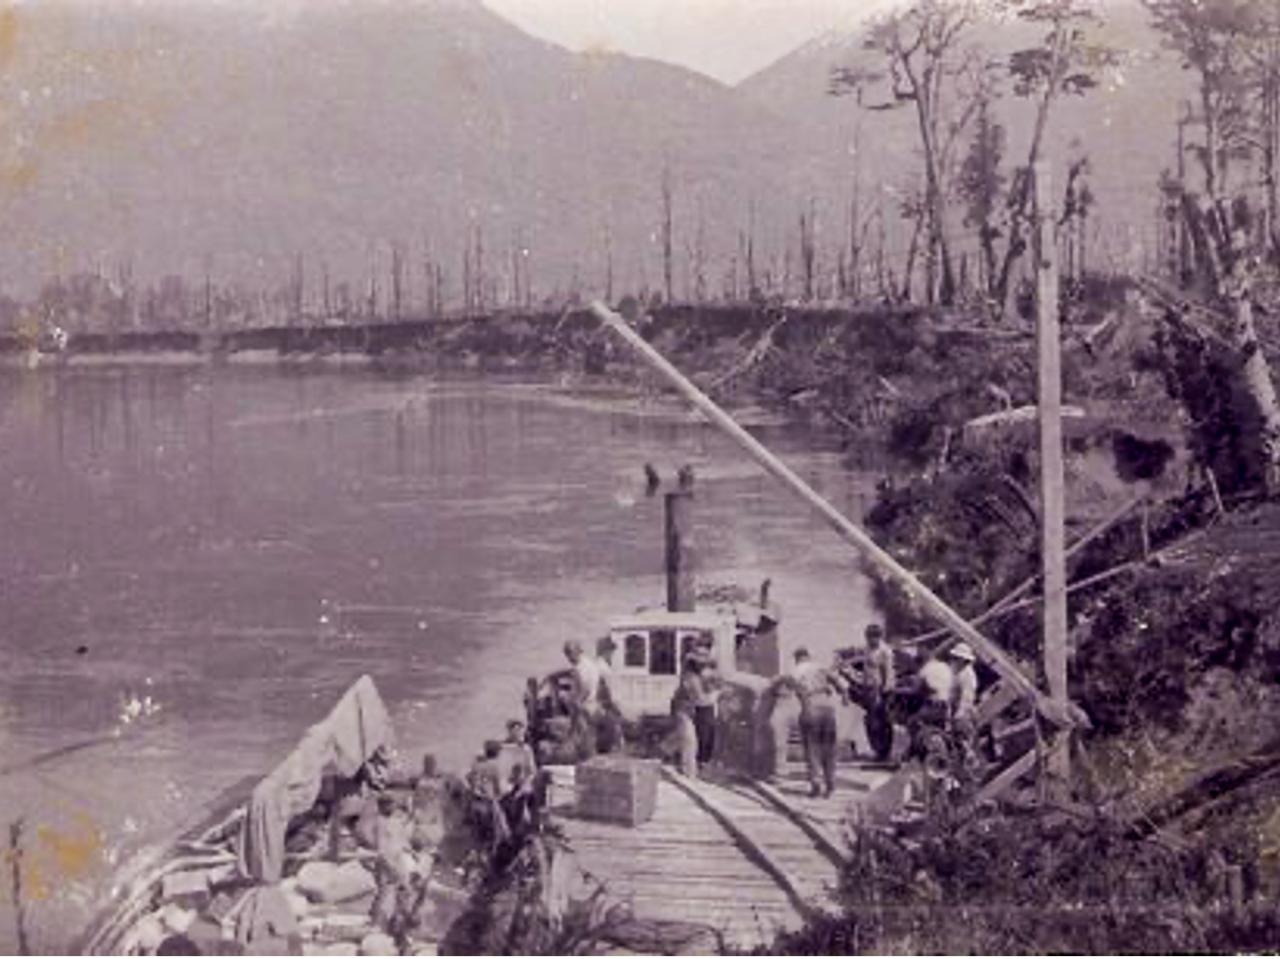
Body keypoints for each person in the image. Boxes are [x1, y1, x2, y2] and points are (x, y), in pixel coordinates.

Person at [790, 647, 844, 798]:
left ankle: (816, 785)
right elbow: (841, 685)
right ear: (808, 656)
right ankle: (831, 785)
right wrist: (841, 695)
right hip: (828, 710)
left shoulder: (796, 671)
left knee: (812, 749)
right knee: (829, 748)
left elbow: (799, 692)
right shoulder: (820, 667)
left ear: (797, 658)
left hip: (811, 710)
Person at [863, 624, 897, 763]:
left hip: (882, 691)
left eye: (874, 638)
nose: (871, 641)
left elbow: (888, 673)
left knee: (882, 722)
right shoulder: (867, 649)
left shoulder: (885, 651)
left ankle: (884, 752)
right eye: (869, 638)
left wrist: (883, 693)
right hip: (870, 689)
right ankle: (877, 750)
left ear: (879, 637)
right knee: (870, 721)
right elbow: (867, 670)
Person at [670, 654, 705, 778]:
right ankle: (689, 771)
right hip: (682, 710)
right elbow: (699, 698)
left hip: (684, 709)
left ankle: (687, 768)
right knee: (689, 741)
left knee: (686, 739)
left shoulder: (690, 676)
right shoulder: (690, 678)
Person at [949, 642, 979, 725]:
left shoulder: (968, 675)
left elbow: (967, 697)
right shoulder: (954, 669)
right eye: (954, 657)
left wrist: (959, 714)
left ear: (963, 659)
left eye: (957, 658)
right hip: (951, 705)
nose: (954, 660)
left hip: (963, 711)